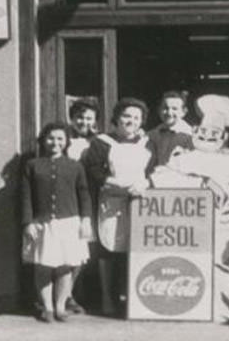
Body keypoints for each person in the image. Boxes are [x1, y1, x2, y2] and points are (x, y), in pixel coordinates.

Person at [149, 94, 229, 321]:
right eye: (203, 132)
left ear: (224, 136)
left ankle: (227, 308)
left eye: (214, 134)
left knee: (225, 265)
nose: (207, 137)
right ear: (195, 131)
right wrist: (202, 182)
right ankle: (201, 307)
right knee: (197, 264)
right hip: (193, 224)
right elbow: (160, 178)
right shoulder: (184, 157)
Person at [81, 97, 151, 317]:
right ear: (116, 118)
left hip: (140, 201)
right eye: (126, 116)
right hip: (111, 201)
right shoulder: (102, 142)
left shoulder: (147, 142)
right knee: (109, 248)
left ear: (142, 121)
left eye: (136, 117)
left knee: (137, 248)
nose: (131, 121)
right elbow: (92, 169)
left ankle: (133, 300)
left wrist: (145, 183)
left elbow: (156, 169)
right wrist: (112, 182)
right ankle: (107, 299)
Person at [21, 122, 93, 323]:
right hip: (43, 224)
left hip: (68, 222)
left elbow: (84, 194)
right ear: (43, 141)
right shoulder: (32, 165)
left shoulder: (75, 166)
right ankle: (48, 307)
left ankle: (61, 306)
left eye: (60, 138)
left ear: (66, 142)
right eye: (51, 138)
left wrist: (86, 219)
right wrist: (28, 222)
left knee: (65, 267)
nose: (55, 142)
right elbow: (26, 197)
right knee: (43, 267)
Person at [65, 99, 99, 314]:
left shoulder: (98, 142)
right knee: (68, 248)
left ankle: (75, 293)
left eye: (88, 118)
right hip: (69, 198)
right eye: (80, 117)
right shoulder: (64, 139)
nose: (83, 121)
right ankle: (66, 295)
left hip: (91, 197)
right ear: (72, 118)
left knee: (86, 249)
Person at [145, 90, 194, 175]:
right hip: (159, 182)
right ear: (159, 110)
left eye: (174, 109)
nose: (169, 113)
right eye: (165, 108)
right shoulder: (152, 135)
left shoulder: (193, 136)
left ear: (184, 112)